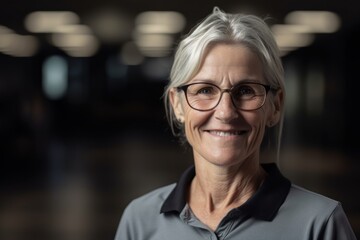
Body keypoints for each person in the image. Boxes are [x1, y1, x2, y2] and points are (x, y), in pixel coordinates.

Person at [114, 7, 357, 240]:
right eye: (205, 89)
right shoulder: (139, 220)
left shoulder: (320, 224)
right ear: (177, 105)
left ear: (276, 106)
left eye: (246, 90)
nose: (225, 112)